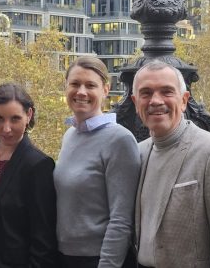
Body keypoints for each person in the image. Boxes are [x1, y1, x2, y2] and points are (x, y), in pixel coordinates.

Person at [131, 60, 210, 267]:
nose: (155, 101)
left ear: (184, 100)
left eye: (166, 92)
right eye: (146, 93)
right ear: (135, 102)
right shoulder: (137, 153)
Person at [54, 56, 140, 268]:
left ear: (105, 90)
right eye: (74, 84)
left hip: (97, 259)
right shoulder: (70, 135)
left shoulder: (119, 140)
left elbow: (121, 218)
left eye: (90, 85)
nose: (81, 91)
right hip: (63, 257)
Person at [0, 83, 58, 268]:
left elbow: (43, 237)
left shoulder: (38, 165)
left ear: (29, 116)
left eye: (15, 119)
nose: (6, 128)